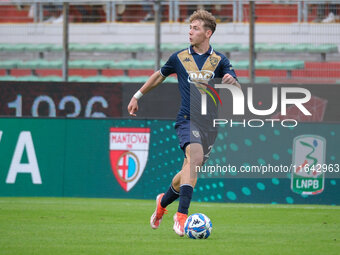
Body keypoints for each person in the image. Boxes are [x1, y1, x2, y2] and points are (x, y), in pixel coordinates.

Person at [127, 9, 240, 237]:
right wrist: (137, 96)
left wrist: (231, 81)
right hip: (187, 120)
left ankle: (162, 203)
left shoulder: (220, 60)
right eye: (190, 27)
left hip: (210, 125)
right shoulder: (178, 58)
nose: (190, 32)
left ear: (208, 33)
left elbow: (235, 87)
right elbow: (159, 75)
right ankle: (182, 217)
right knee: (194, 159)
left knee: (189, 170)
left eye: (195, 28)